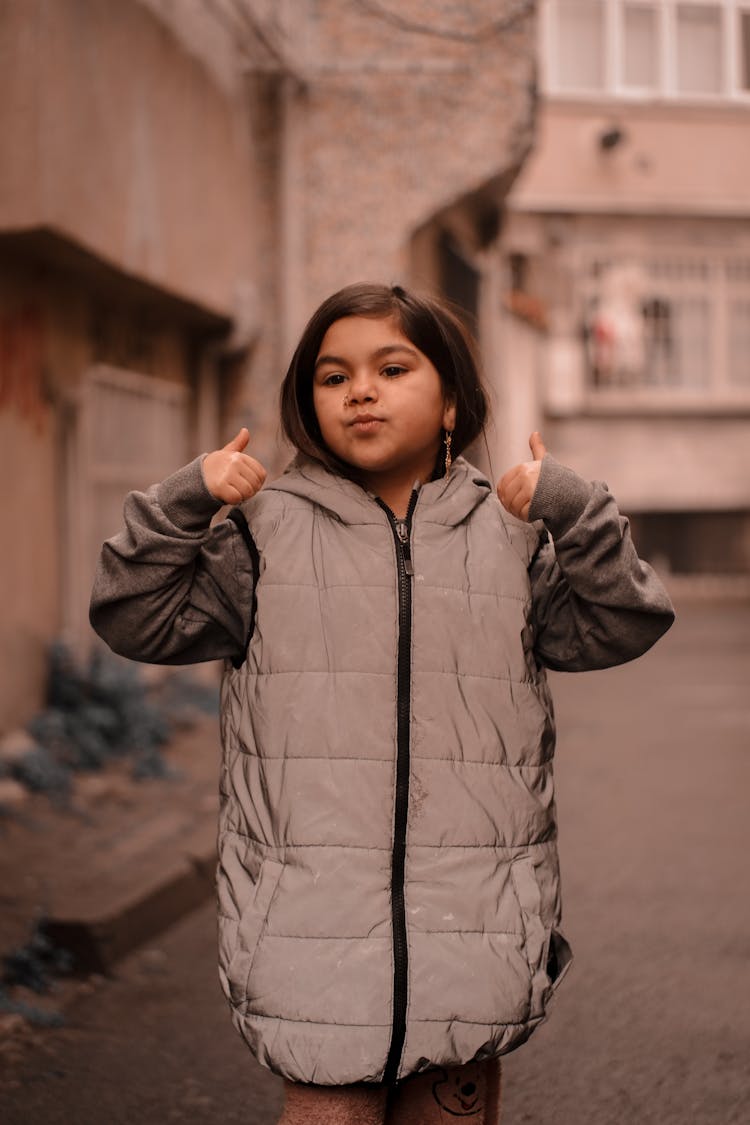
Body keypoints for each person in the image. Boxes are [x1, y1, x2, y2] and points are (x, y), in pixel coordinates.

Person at [90, 282, 674, 1125]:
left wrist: (574, 511)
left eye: (391, 367)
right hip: (309, 927)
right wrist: (188, 499)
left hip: (473, 927)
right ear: (309, 403)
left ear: (450, 403)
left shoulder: (509, 538)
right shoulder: (261, 533)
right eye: (333, 376)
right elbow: (132, 614)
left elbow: (624, 622)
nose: (359, 389)